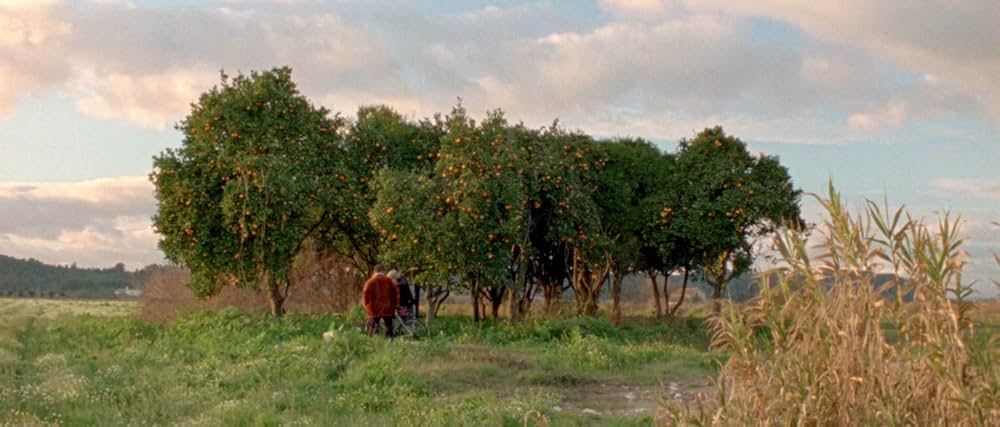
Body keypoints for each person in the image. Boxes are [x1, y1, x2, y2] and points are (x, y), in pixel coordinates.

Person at [362, 264, 399, 337]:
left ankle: (372, 343)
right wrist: (394, 305)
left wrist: (366, 306)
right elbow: (395, 294)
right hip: (388, 308)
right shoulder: (389, 281)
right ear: (383, 271)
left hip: (373, 308)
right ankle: (390, 343)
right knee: (389, 327)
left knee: (372, 329)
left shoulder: (369, 282)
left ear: (374, 271)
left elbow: (365, 295)